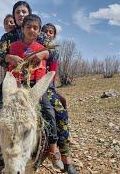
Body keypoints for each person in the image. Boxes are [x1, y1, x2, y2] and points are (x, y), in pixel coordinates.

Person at [0, 1, 61, 170]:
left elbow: (54, 52)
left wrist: (44, 53)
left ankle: (57, 151)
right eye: (18, 12)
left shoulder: (40, 35)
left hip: (36, 83)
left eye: (24, 11)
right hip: (13, 82)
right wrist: (9, 58)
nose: (21, 14)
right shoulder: (8, 38)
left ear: (29, 15)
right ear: (14, 16)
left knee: (55, 111)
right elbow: (0, 55)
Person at [42, 23, 77, 173]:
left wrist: (45, 86)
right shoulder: (33, 46)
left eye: (51, 32)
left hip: (46, 87)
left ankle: (65, 157)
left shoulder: (54, 52)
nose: (48, 34)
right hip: (28, 85)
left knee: (61, 111)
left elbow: (53, 74)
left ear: (54, 36)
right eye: (45, 31)